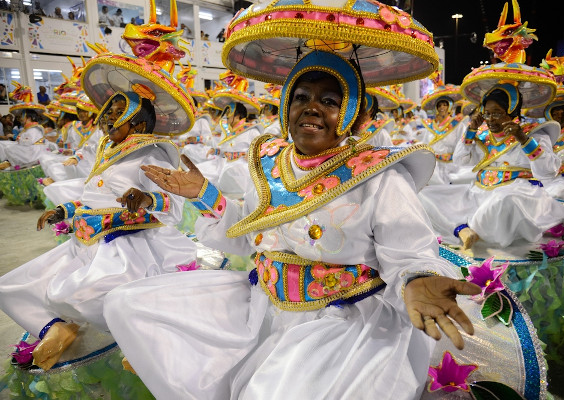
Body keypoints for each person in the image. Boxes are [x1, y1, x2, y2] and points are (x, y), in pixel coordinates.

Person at [103, 49, 482, 400]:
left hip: (342, 318)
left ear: (349, 113)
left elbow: (410, 251)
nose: (312, 108)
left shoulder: (379, 176)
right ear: (286, 106)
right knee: (127, 304)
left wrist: (417, 278)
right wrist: (204, 194)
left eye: (329, 101)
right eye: (301, 97)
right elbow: (250, 238)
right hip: (262, 303)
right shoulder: (270, 163)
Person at [0, 90, 198, 371]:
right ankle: (54, 328)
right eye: (108, 112)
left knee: (85, 295)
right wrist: (64, 210)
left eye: (118, 114)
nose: (108, 119)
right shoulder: (107, 148)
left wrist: (147, 199)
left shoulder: (154, 153)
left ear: (138, 124)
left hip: (128, 247)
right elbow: (93, 196)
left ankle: (143, 339)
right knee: (11, 287)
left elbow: (174, 204)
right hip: (85, 244)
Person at [419, 83, 564, 249]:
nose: (490, 119)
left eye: (497, 113)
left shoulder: (534, 133)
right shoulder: (484, 134)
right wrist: (471, 130)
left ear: (511, 110)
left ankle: (472, 228)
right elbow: (461, 160)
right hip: (479, 192)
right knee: (426, 195)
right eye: (487, 113)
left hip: (519, 192)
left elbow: (548, 171)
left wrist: (523, 139)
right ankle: (462, 229)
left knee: (503, 200)